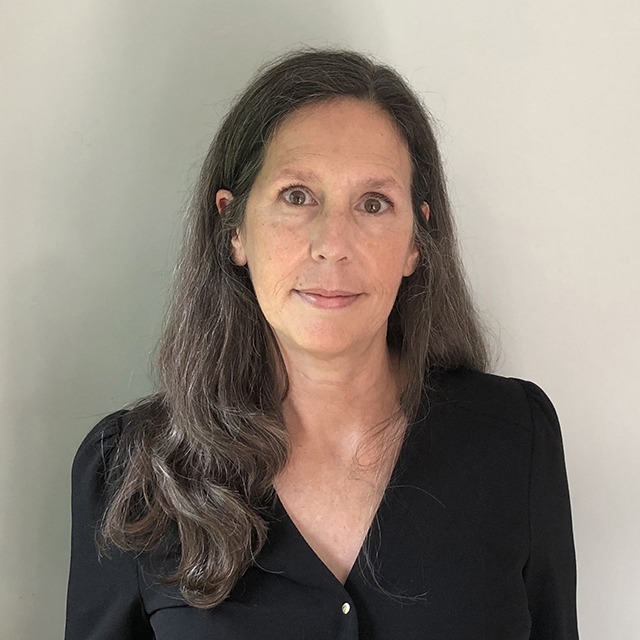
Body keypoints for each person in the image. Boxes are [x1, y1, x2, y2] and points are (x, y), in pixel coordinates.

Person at [64, 48, 579, 639]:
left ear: (416, 241)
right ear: (234, 229)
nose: (332, 243)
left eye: (373, 203)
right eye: (297, 196)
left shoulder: (515, 437)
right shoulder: (128, 471)